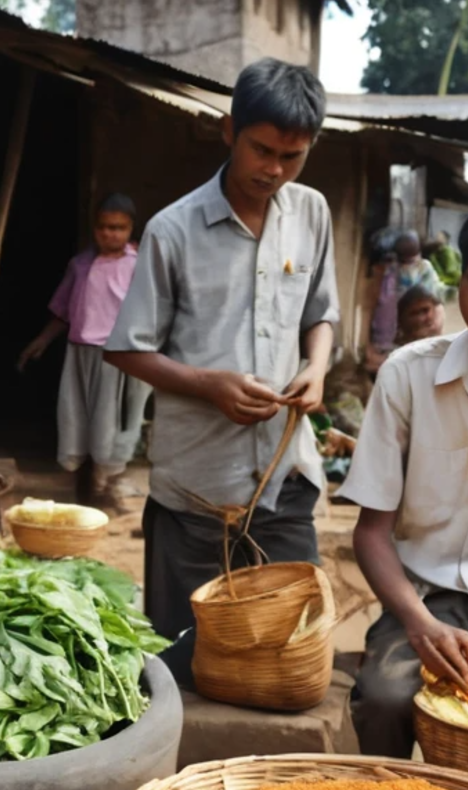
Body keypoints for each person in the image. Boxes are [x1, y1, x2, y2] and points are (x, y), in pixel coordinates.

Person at [104, 58, 337, 646]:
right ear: (229, 131)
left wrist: (317, 367)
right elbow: (128, 350)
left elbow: (322, 314)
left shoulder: (312, 213)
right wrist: (210, 385)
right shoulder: (172, 230)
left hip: (285, 481)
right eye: (262, 150)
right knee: (184, 657)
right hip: (195, 491)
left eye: (293, 156)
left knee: (289, 651)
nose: (275, 170)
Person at [341, 186, 468, 758]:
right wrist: (418, 621)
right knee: (383, 698)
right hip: (426, 595)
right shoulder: (407, 376)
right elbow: (371, 532)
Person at [17, 194, 150, 513]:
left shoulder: (138, 266)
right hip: (80, 353)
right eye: (104, 227)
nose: (110, 234)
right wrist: (42, 340)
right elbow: (64, 311)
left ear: (131, 229)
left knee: (111, 422)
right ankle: (80, 487)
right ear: (94, 228)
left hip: (117, 355)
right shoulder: (79, 265)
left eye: (118, 228)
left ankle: (105, 487)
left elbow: (152, 311)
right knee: (76, 416)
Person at [395, 228, 443, 295]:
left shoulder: (425, 266)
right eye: (404, 262)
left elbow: (434, 288)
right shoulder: (394, 269)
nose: (408, 265)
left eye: (411, 261)